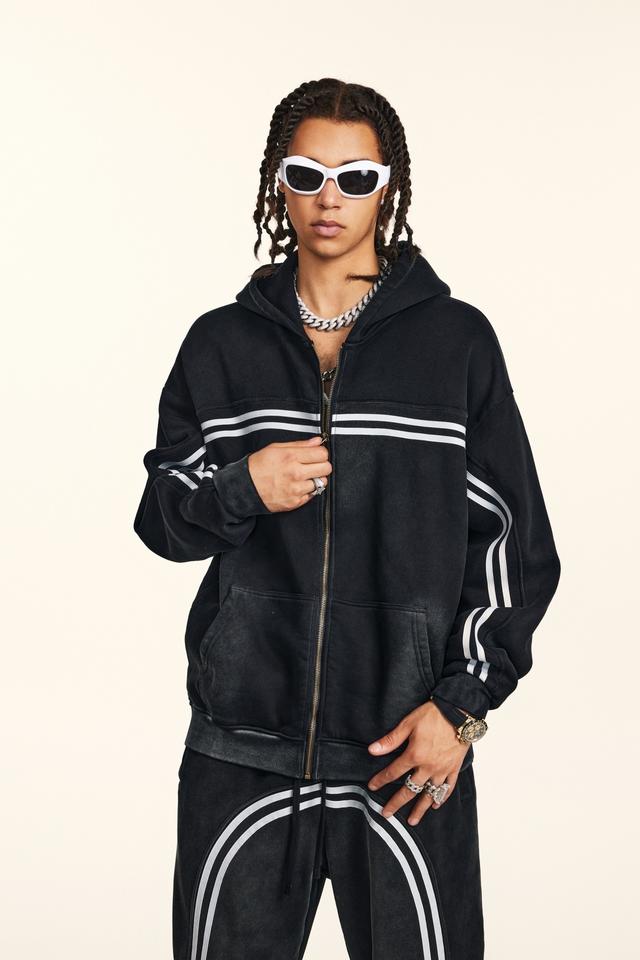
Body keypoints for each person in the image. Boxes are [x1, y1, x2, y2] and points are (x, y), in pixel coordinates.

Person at [133, 77, 561, 960]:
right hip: (241, 752)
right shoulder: (221, 345)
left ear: (388, 187)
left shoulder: (455, 344)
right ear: (278, 183)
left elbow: (515, 548)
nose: (331, 198)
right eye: (308, 174)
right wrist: (242, 487)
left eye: (356, 177)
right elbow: (162, 520)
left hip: (405, 753)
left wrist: (460, 709)